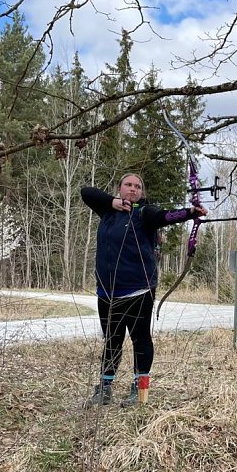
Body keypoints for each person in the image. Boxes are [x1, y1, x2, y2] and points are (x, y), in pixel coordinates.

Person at [81, 173, 207, 408]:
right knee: (112, 340)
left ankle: (139, 391)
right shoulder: (108, 211)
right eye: (128, 185)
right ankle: (105, 388)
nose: (133, 189)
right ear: (119, 189)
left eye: (138, 186)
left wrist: (191, 212)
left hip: (138, 290)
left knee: (140, 339)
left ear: (142, 192)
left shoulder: (144, 213)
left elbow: (164, 216)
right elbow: (86, 192)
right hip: (107, 292)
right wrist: (112, 202)